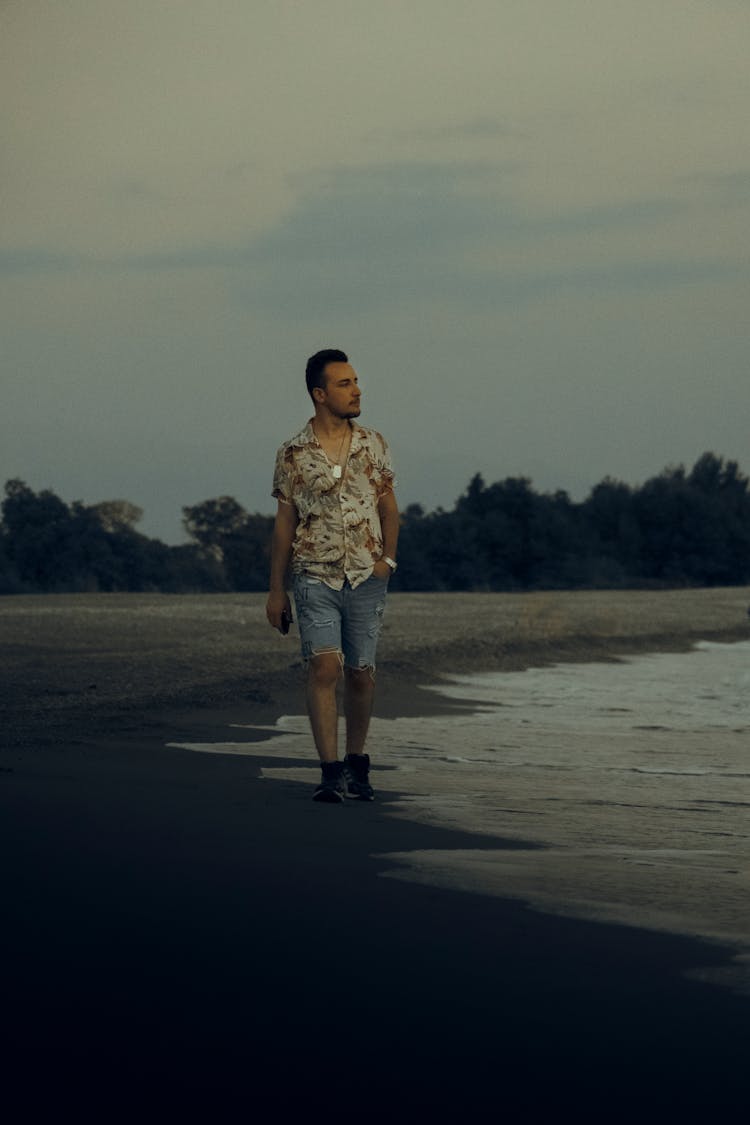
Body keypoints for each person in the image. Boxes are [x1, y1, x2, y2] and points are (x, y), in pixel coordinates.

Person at [266, 349, 399, 803]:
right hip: (313, 574)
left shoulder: (374, 444)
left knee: (360, 673)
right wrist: (275, 590)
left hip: (367, 575)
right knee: (325, 667)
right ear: (320, 395)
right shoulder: (293, 453)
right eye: (345, 384)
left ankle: (357, 763)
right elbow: (284, 523)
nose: (357, 390)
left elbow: (388, 508)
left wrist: (388, 562)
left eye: (356, 381)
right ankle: (329, 771)